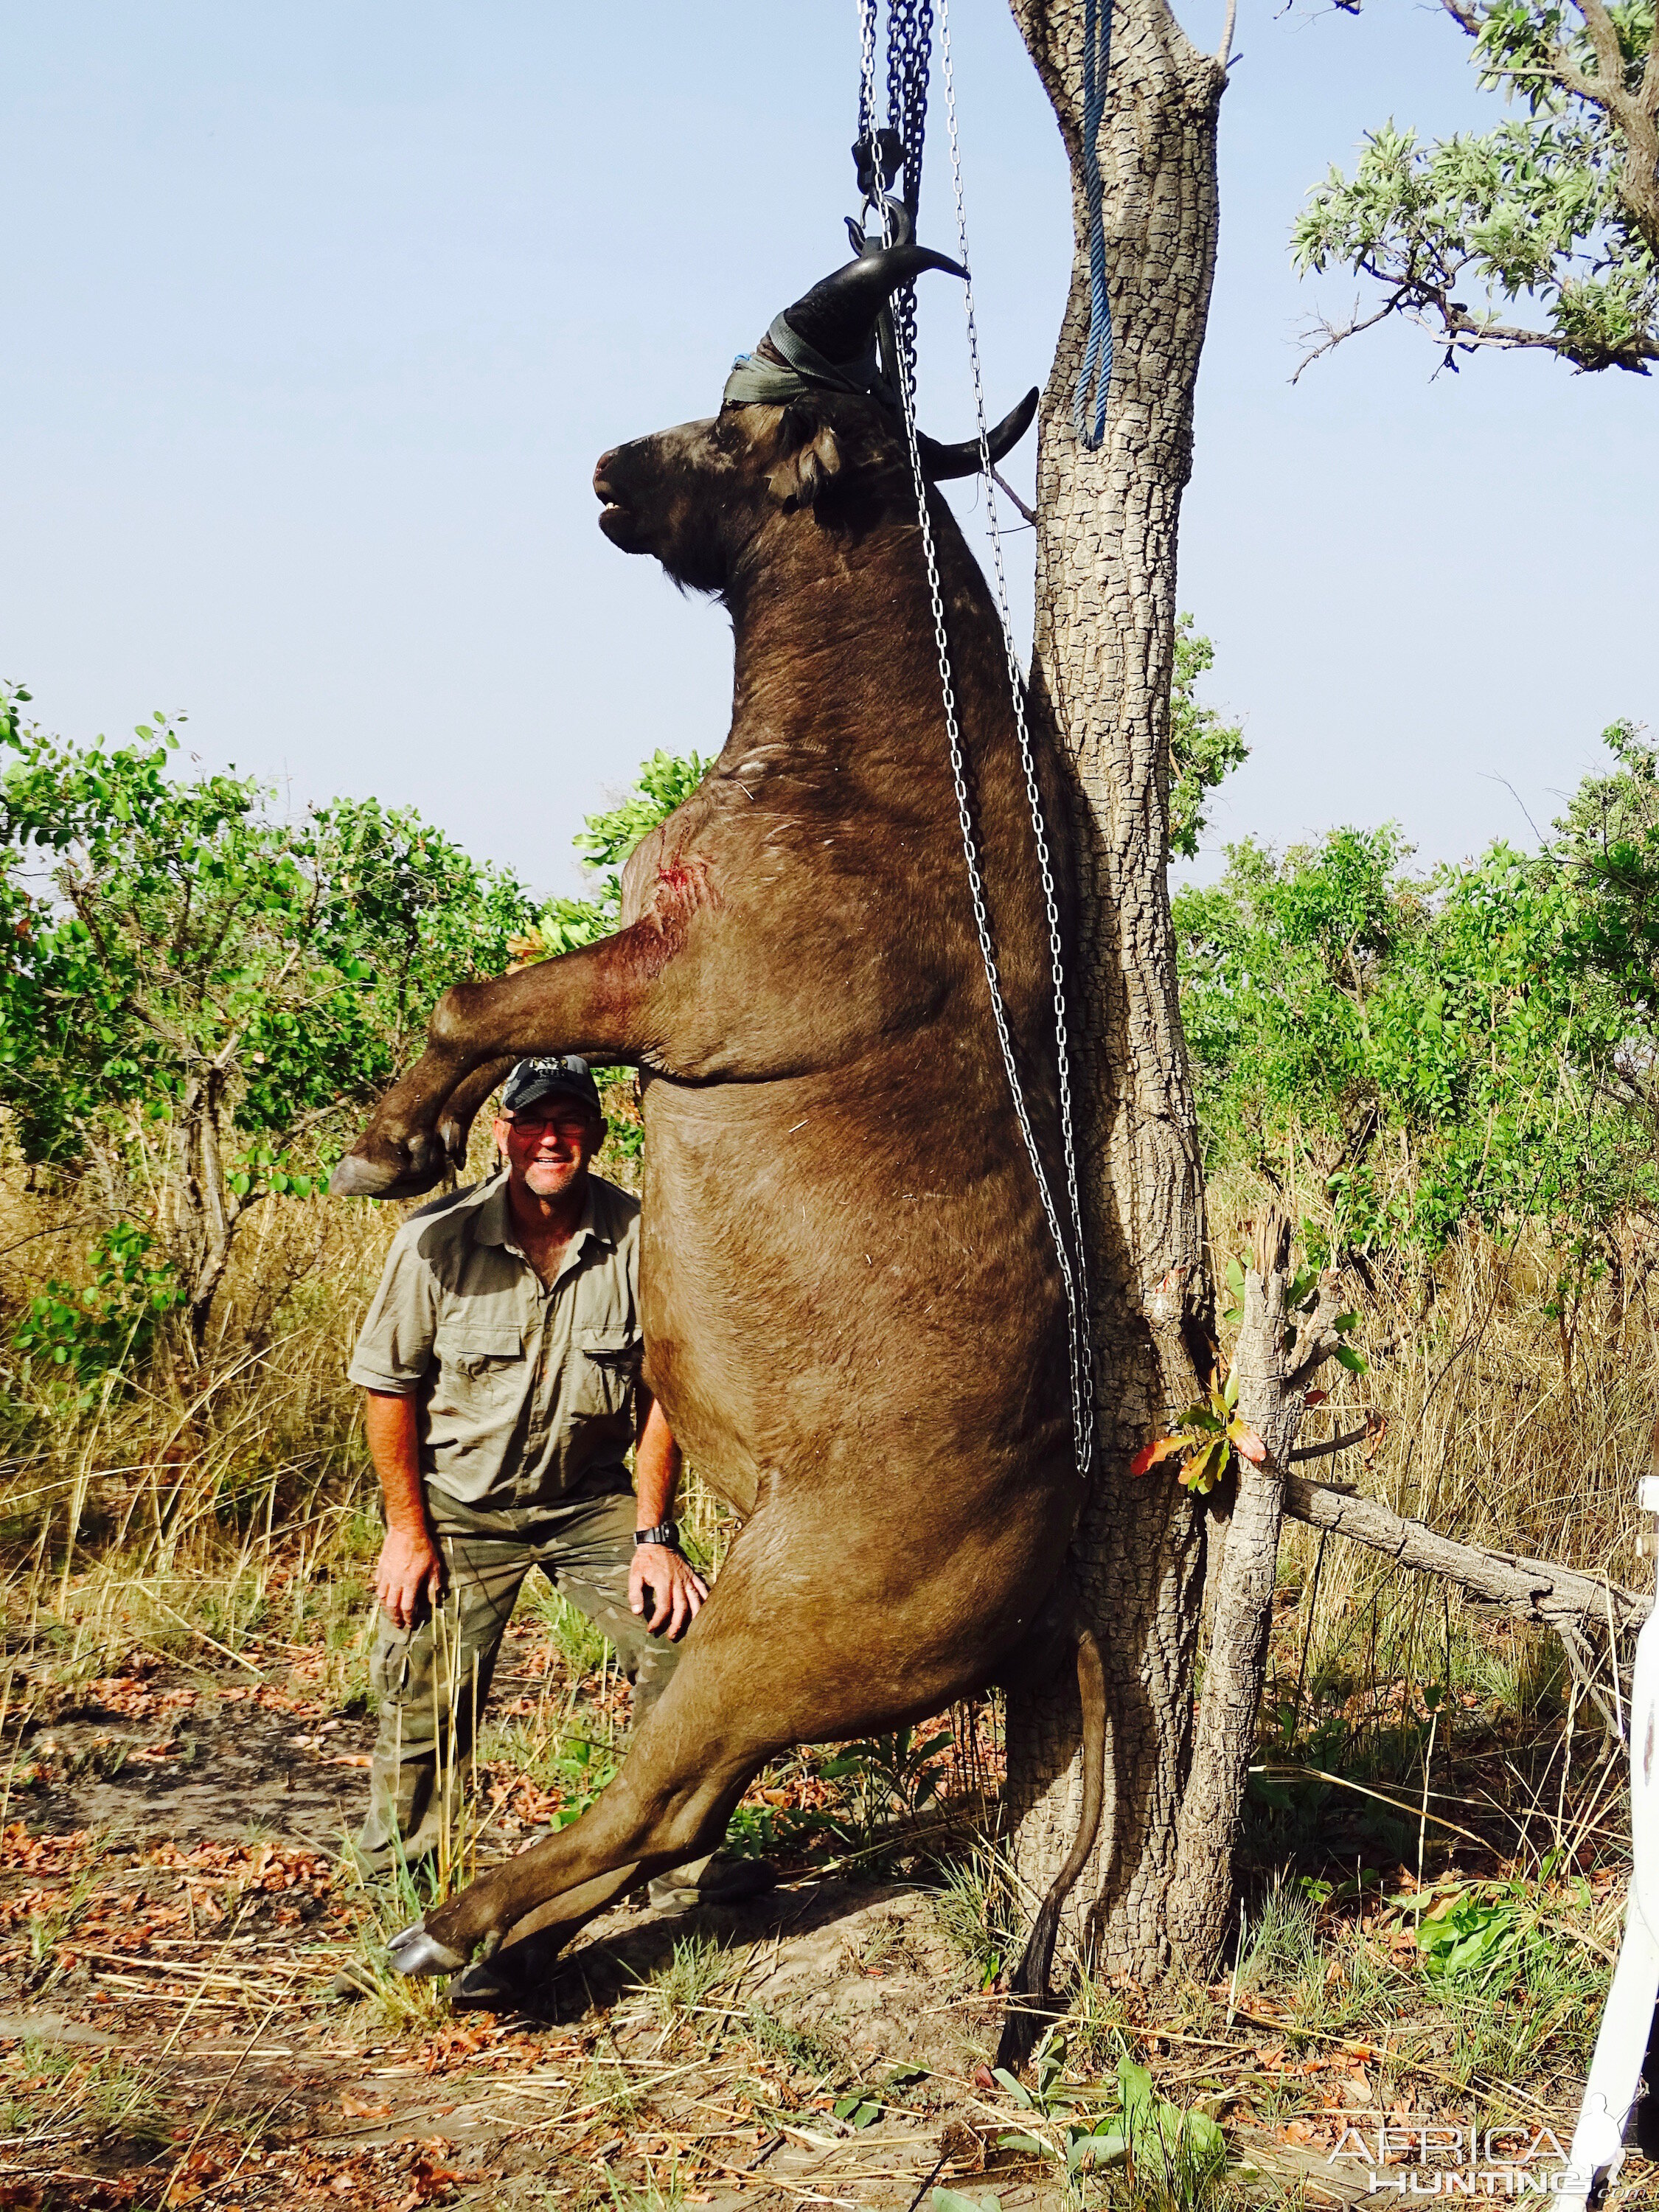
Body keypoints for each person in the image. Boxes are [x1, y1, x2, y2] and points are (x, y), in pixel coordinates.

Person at [345, 1054, 766, 1908]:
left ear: (597, 1137)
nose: (551, 1138)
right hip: (460, 1506)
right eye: (534, 1121)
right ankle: (404, 1893)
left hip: (589, 1502)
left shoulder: (644, 1238)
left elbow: (663, 1392)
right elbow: (387, 1386)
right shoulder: (435, 1239)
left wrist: (655, 1537)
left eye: (570, 1122)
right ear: (502, 1134)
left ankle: (671, 1859)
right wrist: (407, 1530)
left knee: (687, 1647)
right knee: (425, 1683)